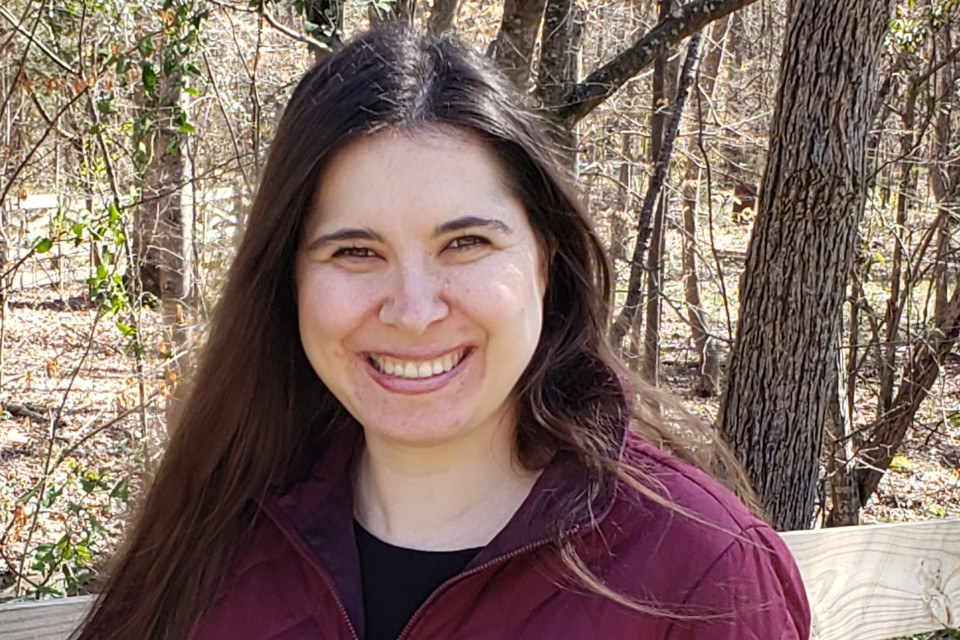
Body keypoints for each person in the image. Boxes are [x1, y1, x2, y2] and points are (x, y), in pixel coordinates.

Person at [73, 27, 810, 640]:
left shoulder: (699, 575)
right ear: (289, 279)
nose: (414, 309)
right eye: (355, 252)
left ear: (546, 264)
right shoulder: (215, 535)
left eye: (465, 244)